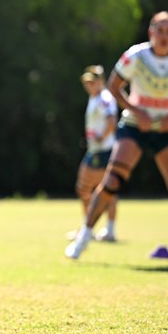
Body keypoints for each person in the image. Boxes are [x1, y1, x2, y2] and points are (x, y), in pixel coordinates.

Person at [66, 11, 168, 265]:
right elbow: (115, 86)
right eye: (159, 30)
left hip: (166, 128)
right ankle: (83, 238)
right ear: (151, 32)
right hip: (134, 126)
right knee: (112, 180)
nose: (164, 35)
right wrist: (137, 110)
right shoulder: (136, 56)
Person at [68, 65, 119, 242]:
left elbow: (112, 120)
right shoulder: (95, 97)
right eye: (87, 82)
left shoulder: (104, 98)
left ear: (101, 81)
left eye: (93, 82)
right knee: (96, 189)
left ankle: (100, 230)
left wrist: (101, 136)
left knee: (98, 189)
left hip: (103, 151)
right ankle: (92, 228)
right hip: (96, 150)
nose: (89, 85)